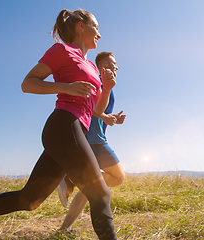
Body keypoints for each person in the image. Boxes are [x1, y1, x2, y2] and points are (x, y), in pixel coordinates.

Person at [0, 9, 118, 240]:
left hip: (74, 131)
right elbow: (28, 83)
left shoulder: (92, 67)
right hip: (63, 126)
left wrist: (108, 87)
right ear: (81, 26)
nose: (100, 35)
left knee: (29, 200)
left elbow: (97, 110)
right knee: (100, 193)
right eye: (97, 27)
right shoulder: (62, 51)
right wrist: (66, 87)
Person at [57, 51, 126, 231]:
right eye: (114, 62)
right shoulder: (99, 81)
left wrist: (110, 118)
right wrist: (104, 116)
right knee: (118, 177)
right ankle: (70, 180)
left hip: (92, 138)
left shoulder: (105, 83)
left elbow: (96, 112)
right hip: (95, 140)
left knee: (91, 188)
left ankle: (64, 229)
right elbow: (93, 108)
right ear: (104, 64)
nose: (117, 67)